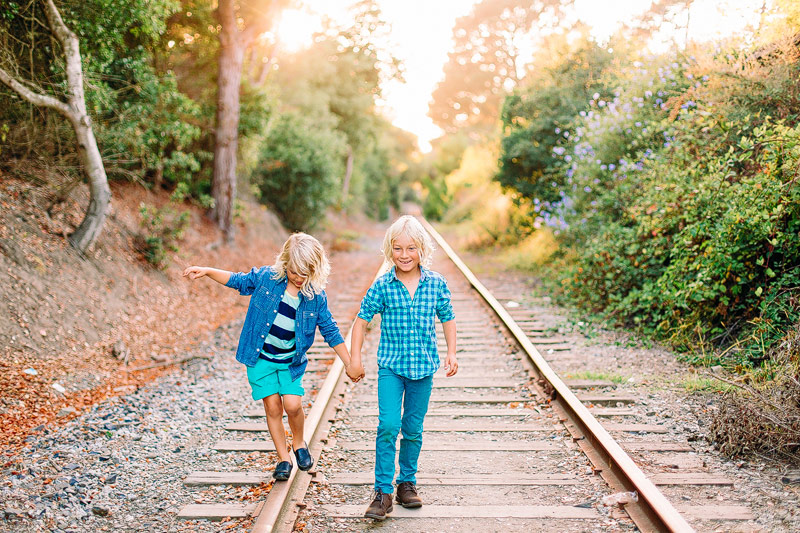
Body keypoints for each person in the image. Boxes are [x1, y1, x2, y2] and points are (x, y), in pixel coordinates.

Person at [182, 233, 364, 481]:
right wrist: (207, 270)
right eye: (295, 272)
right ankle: (283, 458)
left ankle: (299, 442)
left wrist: (349, 362)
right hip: (261, 360)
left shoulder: (315, 297)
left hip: (289, 363)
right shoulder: (268, 278)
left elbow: (330, 330)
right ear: (285, 263)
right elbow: (238, 280)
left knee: (292, 404)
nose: (299, 279)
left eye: (305, 274)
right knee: (273, 407)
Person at [350, 215, 457, 520]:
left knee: (412, 429)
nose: (405, 255)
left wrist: (452, 353)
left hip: (423, 370)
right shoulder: (383, 285)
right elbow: (361, 321)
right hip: (391, 369)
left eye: (411, 248)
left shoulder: (435, 283)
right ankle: (382, 492)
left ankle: (406, 483)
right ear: (389, 250)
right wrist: (355, 359)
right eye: (398, 249)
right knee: (387, 426)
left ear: (422, 249)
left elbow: (447, 318)